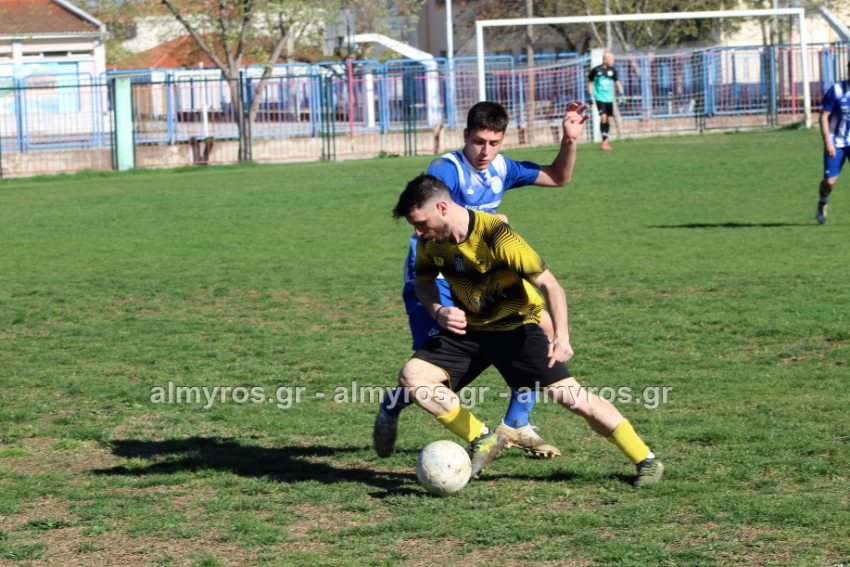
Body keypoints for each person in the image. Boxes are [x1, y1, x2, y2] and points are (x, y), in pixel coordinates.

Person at [388, 174, 665, 486]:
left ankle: (646, 460)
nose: (418, 232)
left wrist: (561, 336)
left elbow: (551, 285)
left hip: (516, 329)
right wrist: (438, 311)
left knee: (573, 399)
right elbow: (424, 283)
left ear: (441, 208)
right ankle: (483, 438)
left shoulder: (495, 234)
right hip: (471, 331)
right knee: (413, 376)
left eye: (421, 223)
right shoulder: (431, 242)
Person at [374, 101, 590, 460]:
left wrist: (569, 140)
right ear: (465, 136)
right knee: (435, 373)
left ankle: (517, 423)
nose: (485, 151)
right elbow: (437, 208)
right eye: (478, 142)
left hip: (481, 276)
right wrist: (490, 221)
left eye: (494, 143)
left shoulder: (502, 167)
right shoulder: (447, 169)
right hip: (438, 278)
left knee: (540, 327)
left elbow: (558, 177)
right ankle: (393, 404)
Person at [817, 61, 850, 224]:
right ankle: (823, 201)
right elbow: (823, 117)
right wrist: (828, 142)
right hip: (836, 141)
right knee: (829, 182)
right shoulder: (837, 90)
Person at [587, 52, 625, 151]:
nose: (613, 61)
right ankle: (603, 142)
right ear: (605, 60)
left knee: (608, 119)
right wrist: (590, 95)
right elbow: (590, 82)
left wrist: (621, 94)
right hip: (599, 98)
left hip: (609, 99)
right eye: (611, 59)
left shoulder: (612, 70)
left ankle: (605, 140)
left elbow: (618, 82)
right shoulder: (596, 70)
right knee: (603, 118)